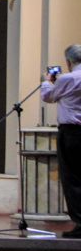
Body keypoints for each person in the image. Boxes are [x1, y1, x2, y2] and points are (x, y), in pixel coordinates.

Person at [40, 44, 81, 239]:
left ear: (69, 62)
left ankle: (80, 223)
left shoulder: (67, 79)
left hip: (72, 134)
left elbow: (48, 96)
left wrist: (47, 81)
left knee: (72, 178)